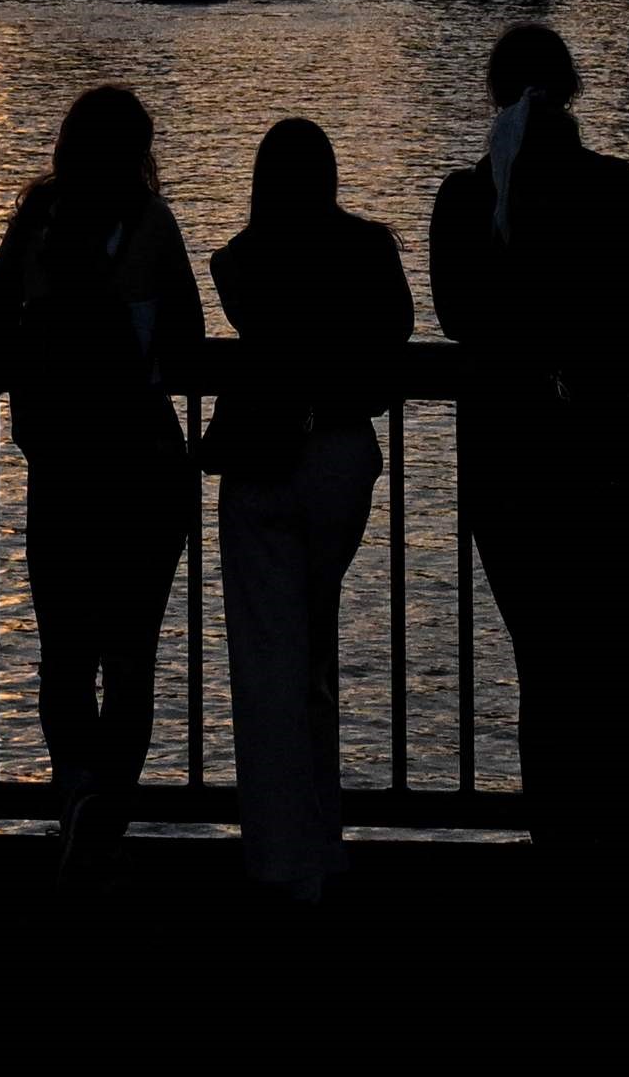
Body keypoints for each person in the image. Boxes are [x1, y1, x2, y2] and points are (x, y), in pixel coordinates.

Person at [428, 21, 629, 856]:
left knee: (543, 656)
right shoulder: (615, 187)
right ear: (573, 90)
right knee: (622, 653)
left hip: (507, 460)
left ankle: (557, 833)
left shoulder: (464, 199)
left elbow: (460, 318)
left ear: (491, 94)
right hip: (611, 456)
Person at [0, 84, 203, 866]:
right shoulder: (150, 221)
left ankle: (76, 787)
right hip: (143, 460)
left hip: (63, 463)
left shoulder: (37, 220)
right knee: (130, 651)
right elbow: (188, 336)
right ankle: (109, 804)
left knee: (66, 648)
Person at [206, 115, 413, 901]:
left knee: (268, 662)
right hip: (340, 457)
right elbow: (394, 346)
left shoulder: (239, 263)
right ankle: (322, 840)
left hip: (263, 459)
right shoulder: (369, 249)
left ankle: (282, 858)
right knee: (314, 650)